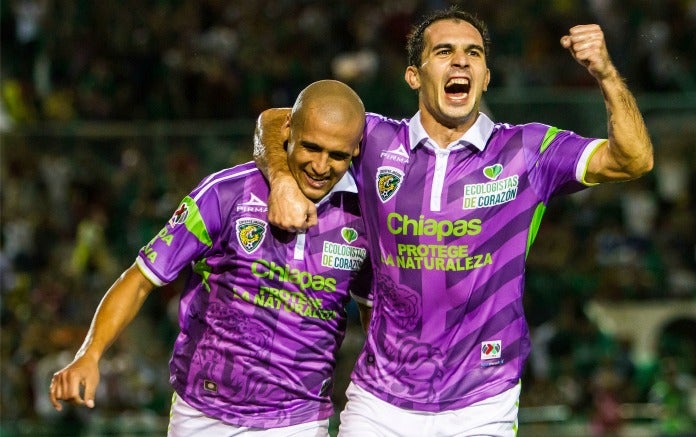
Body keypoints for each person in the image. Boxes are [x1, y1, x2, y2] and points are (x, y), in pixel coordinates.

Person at [253, 7, 653, 436]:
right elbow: (278, 120)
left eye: (473, 54)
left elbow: (634, 158)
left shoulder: (526, 150)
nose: (461, 61)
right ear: (414, 75)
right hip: (379, 402)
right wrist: (281, 181)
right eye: (444, 51)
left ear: (485, 78)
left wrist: (607, 74)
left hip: (482, 404)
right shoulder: (374, 140)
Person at [49, 80, 373, 436]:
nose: (321, 166)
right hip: (202, 416)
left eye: (337, 155)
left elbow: (372, 312)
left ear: (356, 151)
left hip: (297, 421)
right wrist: (90, 354)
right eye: (311, 147)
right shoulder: (225, 194)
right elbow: (141, 279)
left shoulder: (364, 220)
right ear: (288, 130)